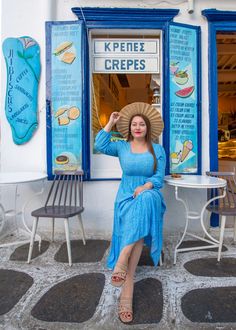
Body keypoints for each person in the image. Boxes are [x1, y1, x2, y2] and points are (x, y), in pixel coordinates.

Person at [94, 102, 166, 324]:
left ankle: (122, 261)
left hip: (148, 194)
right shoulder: (122, 147)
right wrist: (110, 123)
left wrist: (145, 187)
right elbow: (99, 145)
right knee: (136, 231)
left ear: (147, 128)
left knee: (144, 202)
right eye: (134, 124)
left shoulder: (158, 150)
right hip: (125, 197)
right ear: (130, 128)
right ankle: (128, 281)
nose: (137, 127)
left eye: (141, 124)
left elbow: (159, 178)